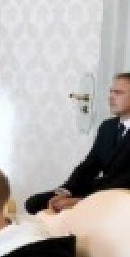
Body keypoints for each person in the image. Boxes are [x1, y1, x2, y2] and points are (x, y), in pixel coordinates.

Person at [24, 72, 130, 214]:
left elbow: (125, 180)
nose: (111, 97)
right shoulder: (107, 127)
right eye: (111, 92)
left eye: (118, 93)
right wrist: (66, 190)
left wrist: (81, 200)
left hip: (118, 196)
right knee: (34, 203)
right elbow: (89, 166)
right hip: (95, 189)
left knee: (69, 209)